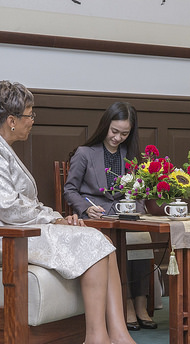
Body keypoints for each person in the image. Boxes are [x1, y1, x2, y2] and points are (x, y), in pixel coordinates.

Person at [0, 81, 166, 344]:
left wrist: (56, 218)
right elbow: (7, 207)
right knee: (91, 241)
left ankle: (118, 337)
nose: (32, 121)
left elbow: (17, 206)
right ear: (11, 120)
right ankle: (96, 343)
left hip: (10, 229)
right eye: (30, 115)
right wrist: (54, 220)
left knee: (101, 241)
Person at [64, 102, 157, 331]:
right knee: (116, 244)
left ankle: (141, 302)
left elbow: (139, 192)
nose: (117, 138)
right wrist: (86, 209)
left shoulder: (131, 156)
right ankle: (126, 303)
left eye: (124, 134)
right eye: (114, 131)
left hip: (126, 215)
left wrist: (137, 209)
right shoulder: (85, 153)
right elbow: (70, 190)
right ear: (105, 125)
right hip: (98, 216)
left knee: (140, 238)